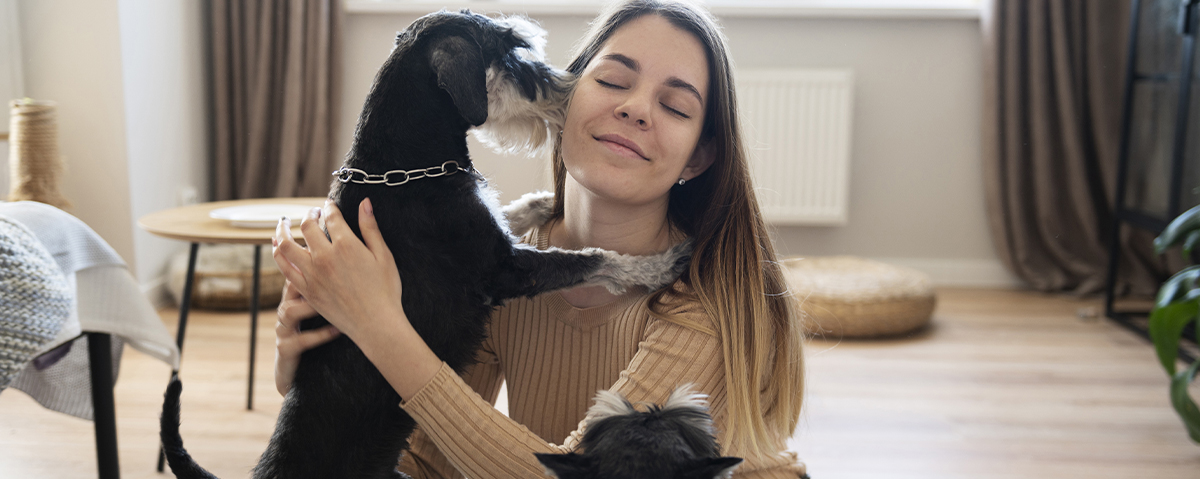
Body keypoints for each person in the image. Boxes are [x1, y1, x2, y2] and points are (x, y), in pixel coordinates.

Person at [271, 1, 807, 477]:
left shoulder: (705, 298)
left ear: (698, 156)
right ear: (561, 93)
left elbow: (583, 474)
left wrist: (379, 328)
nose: (636, 108)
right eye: (614, 81)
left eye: (675, 107)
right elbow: (430, 456)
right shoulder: (499, 262)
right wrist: (328, 376)